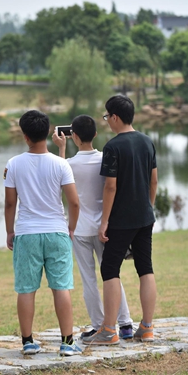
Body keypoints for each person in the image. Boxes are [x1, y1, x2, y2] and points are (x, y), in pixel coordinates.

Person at [3, 109, 82, 356]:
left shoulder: (14, 164)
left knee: (26, 289)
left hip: (26, 233)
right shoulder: (61, 164)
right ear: (49, 132)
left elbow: (9, 204)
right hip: (56, 232)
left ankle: (27, 341)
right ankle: (67, 343)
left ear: (25, 136)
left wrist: (9, 231)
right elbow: (74, 203)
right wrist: (70, 228)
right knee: (61, 287)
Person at [82, 95, 158, 345]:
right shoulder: (147, 142)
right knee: (145, 268)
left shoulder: (113, 147)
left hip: (121, 220)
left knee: (110, 269)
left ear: (115, 117)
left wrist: (104, 221)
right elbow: (153, 180)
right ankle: (146, 327)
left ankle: (109, 330)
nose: (107, 122)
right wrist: (149, 207)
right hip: (145, 217)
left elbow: (110, 188)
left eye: (107, 117)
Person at [52, 115, 134, 342]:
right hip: (105, 227)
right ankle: (125, 323)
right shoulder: (104, 160)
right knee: (112, 276)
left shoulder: (68, 164)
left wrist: (61, 148)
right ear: (96, 134)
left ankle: (99, 325)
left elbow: (60, 180)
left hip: (80, 230)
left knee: (89, 279)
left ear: (73, 136)